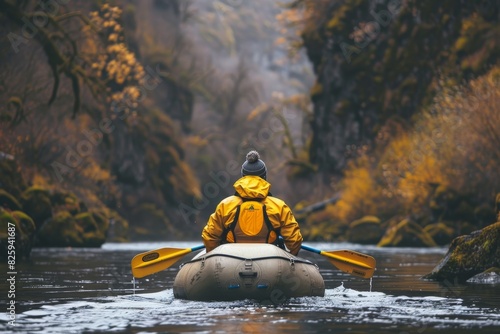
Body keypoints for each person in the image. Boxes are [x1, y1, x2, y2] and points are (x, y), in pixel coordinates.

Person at [201, 150, 303, 255]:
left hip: (231, 258)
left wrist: (213, 257)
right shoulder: (279, 206)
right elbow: (295, 240)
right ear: (264, 177)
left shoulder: (225, 205)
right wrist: (292, 257)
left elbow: (209, 236)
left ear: (243, 177)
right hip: (269, 260)